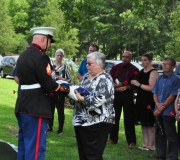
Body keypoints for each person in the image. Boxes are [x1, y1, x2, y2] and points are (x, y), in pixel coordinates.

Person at [15, 27, 70, 160]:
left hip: (22, 104)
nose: (50, 45)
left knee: (23, 144)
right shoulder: (41, 57)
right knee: (35, 148)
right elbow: (48, 83)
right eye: (50, 41)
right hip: (36, 107)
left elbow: (18, 78)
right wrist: (66, 90)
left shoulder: (23, 55)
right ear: (44, 39)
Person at [72, 51, 115, 160]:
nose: (87, 66)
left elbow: (98, 100)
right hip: (81, 121)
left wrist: (82, 99)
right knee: (84, 155)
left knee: (93, 155)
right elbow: (80, 93)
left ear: (99, 64)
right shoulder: (86, 76)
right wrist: (71, 93)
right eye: (87, 63)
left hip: (98, 122)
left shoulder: (105, 79)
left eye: (89, 63)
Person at [148, 57, 180, 160]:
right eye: (163, 64)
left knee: (170, 134)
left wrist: (162, 107)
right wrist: (157, 105)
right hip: (159, 110)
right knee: (159, 132)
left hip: (168, 110)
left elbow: (173, 95)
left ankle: (172, 156)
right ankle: (160, 154)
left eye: (167, 64)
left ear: (173, 66)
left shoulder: (176, 79)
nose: (164, 65)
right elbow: (155, 92)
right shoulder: (160, 78)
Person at [108, 51, 139, 149]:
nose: (124, 58)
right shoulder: (115, 68)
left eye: (127, 57)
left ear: (131, 58)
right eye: (123, 56)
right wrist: (115, 87)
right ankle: (113, 138)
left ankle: (131, 141)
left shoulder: (135, 69)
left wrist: (127, 87)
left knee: (129, 118)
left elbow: (135, 83)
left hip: (128, 94)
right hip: (116, 94)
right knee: (114, 116)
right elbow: (109, 80)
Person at [131, 52, 159, 151]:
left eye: (145, 60)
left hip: (149, 99)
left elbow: (151, 88)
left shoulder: (153, 72)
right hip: (140, 99)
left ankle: (151, 145)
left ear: (150, 61)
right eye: (142, 60)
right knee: (143, 122)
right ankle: (146, 144)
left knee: (150, 123)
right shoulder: (141, 71)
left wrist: (138, 84)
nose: (143, 62)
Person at [48, 49, 72, 135]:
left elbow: (69, 79)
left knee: (60, 110)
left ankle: (60, 129)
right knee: (50, 110)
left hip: (60, 91)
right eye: (57, 55)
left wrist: (63, 79)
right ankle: (50, 127)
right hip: (52, 91)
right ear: (55, 56)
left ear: (63, 57)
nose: (59, 57)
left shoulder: (65, 67)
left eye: (61, 55)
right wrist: (52, 77)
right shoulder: (51, 66)